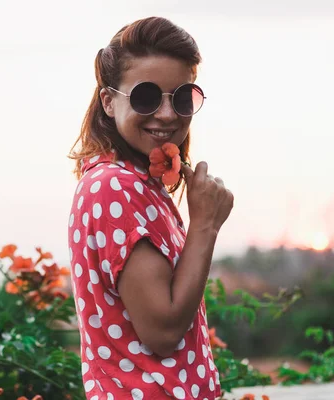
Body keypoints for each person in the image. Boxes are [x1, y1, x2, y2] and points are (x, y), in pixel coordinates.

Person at [67, 16, 234, 400]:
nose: (167, 114)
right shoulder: (113, 186)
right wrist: (205, 224)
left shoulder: (137, 184)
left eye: (181, 97)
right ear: (109, 101)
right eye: (145, 96)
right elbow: (162, 332)